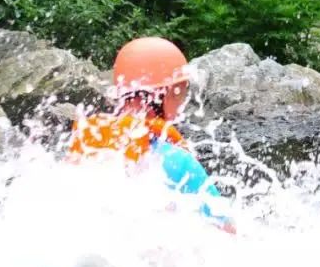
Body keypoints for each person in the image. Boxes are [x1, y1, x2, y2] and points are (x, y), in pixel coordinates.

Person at [66, 36, 235, 234]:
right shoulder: (178, 161)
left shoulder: (90, 143)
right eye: (181, 92)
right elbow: (228, 231)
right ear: (169, 93)